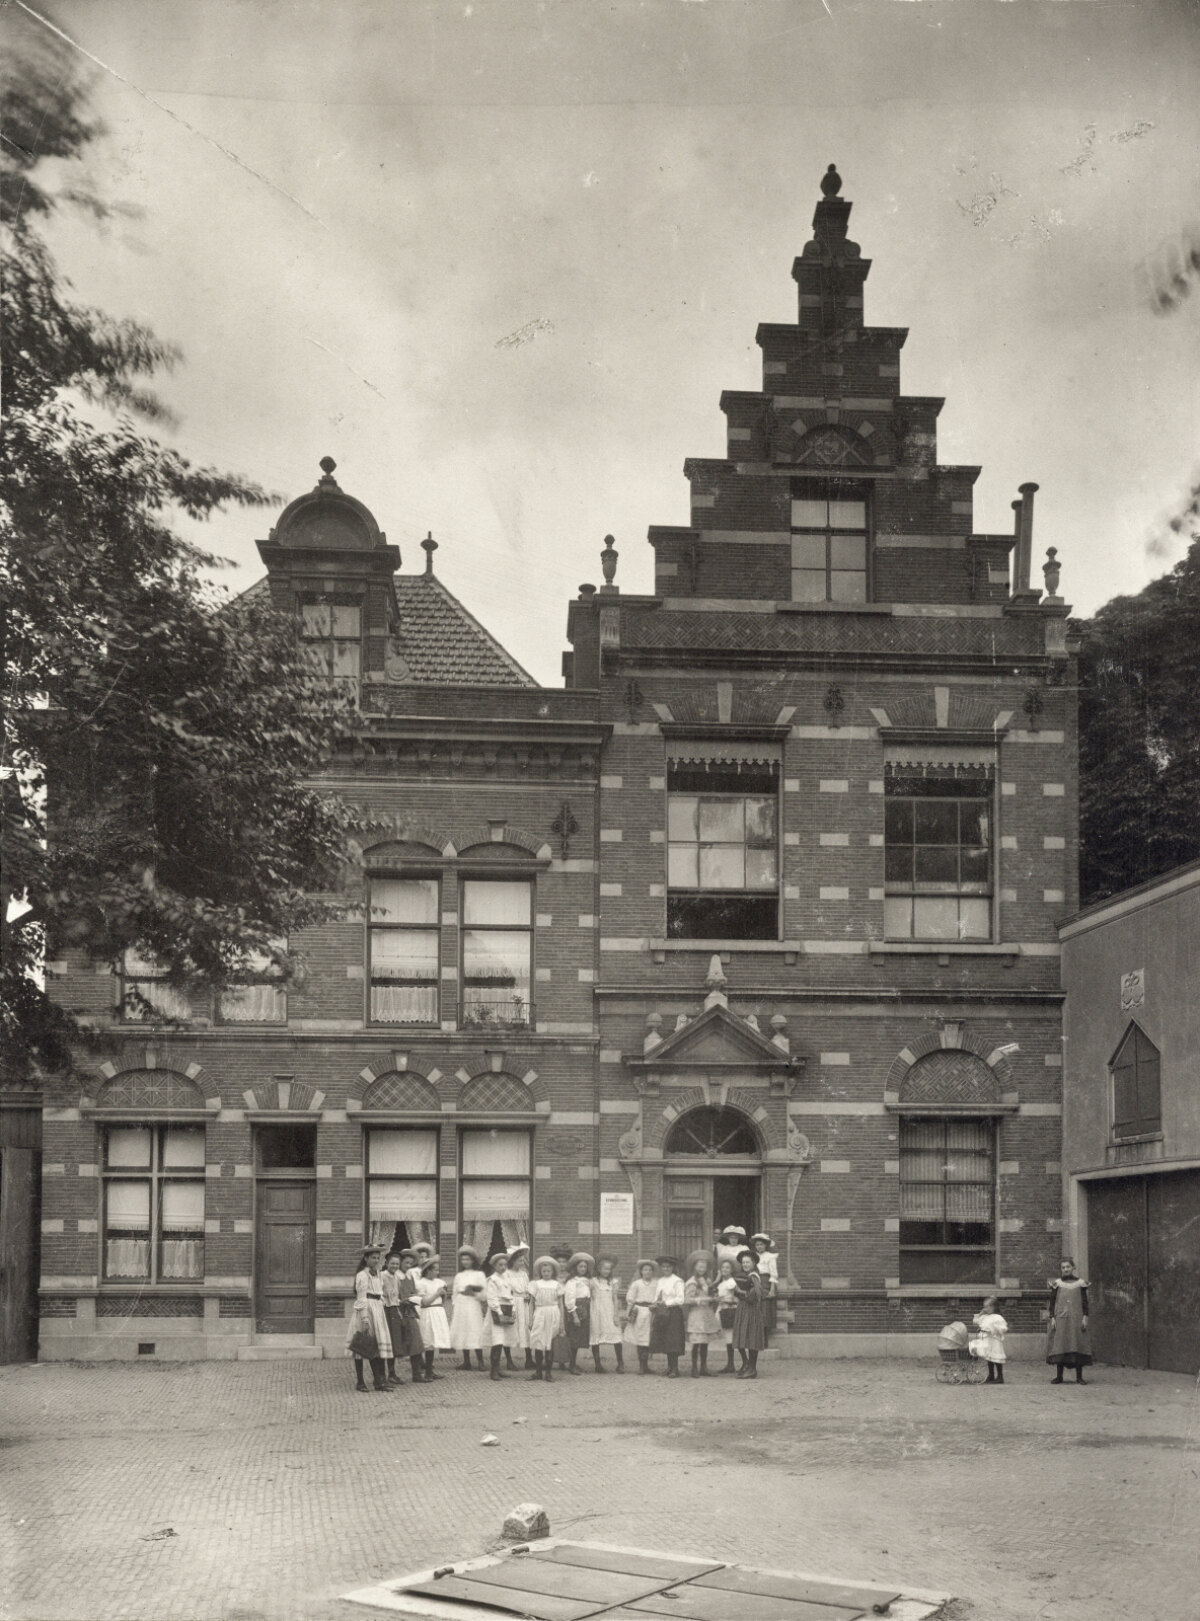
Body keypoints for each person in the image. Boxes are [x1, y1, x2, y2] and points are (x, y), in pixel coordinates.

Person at [347, 1245, 392, 1393]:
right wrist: (365, 1319)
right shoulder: (362, 1275)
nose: (376, 1260)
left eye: (378, 1258)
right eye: (373, 1257)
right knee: (362, 1345)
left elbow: (381, 1292)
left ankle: (379, 1381)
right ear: (366, 1259)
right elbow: (361, 1297)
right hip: (365, 1310)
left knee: (377, 1346)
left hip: (377, 1309)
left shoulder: (378, 1273)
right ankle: (360, 1382)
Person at [1047, 1257, 1092, 1385]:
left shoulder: (1081, 1283)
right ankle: (1059, 1376)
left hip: (1077, 1319)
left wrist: (1085, 1317)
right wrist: (1052, 1317)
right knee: (1061, 1344)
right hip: (1061, 1319)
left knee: (1077, 1343)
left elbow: (1085, 1302)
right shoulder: (1057, 1284)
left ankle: (1079, 1377)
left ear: (1073, 1268)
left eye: (1068, 1267)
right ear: (1061, 1269)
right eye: (1063, 1267)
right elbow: (1052, 1302)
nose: (1066, 1269)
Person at [449, 1244, 488, 1371]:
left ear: (473, 1260)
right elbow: (454, 1293)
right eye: (463, 1259)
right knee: (463, 1331)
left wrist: (474, 1293)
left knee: (475, 1330)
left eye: (467, 1259)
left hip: (473, 1305)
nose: (465, 1262)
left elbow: (484, 1294)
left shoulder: (479, 1274)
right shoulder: (459, 1276)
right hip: (461, 1306)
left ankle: (480, 1361)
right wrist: (456, 1305)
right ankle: (466, 1362)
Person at [392, 1247, 427, 1383]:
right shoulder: (396, 1277)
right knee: (397, 1343)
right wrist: (403, 1300)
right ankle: (392, 1374)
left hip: (410, 1312)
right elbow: (393, 1296)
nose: (408, 1266)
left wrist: (414, 1297)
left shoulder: (410, 1276)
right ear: (400, 1262)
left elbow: (413, 1292)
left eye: (410, 1264)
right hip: (399, 1312)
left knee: (416, 1342)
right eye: (406, 1263)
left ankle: (417, 1373)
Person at [684, 1251, 721, 1378]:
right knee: (696, 1342)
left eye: (704, 1267)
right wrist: (702, 1300)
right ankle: (694, 1367)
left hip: (706, 1314)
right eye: (699, 1266)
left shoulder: (708, 1281)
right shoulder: (692, 1282)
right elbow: (688, 1300)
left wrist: (715, 1298)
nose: (701, 1269)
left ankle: (703, 1367)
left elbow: (711, 1294)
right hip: (696, 1314)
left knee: (705, 1342)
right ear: (695, 1267)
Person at [484, 1250, 520, 1381]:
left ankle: (499, 1368)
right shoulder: (492, 1280)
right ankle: (493, 1370)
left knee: (504, 1340)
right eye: (500, 1265)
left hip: (507, 1309)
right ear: (494, 1266)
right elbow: (492, 1298)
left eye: (505, 1264)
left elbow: (511, 1296)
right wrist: (499, 1312)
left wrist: (514, 1309)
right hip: (497, 1311)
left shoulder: (506, 1278)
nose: (503, 1267)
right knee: (497, 1341)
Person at [732, 1248, 768, 1378]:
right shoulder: (743, 1276)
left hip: (752, 1310)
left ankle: (752, 1368)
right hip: (743, 1308)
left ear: (753, 1263)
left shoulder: (754, 1276)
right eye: (743, 1262)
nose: (745, 1265)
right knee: (741, 1336)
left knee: (752, 1338)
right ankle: (746, 1363)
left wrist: (740, 1293)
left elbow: (756, 1294)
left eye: (747, 1262)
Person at [527, 1255, 563, 1382]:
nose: (546, 1273)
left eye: (548, 1271)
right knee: (538, 1341)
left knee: (549, 1343)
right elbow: (531, 1303)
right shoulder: (535, 1284)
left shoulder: (556, 1285)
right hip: (540, 1312)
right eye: (544, 1271)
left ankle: (548, 1373)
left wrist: (562, 1322)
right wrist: (530, 1319)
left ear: (552, 1272)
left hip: (553, 1312)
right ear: (540, 1272)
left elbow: (561, 1304)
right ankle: (538, 1372)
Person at [650, 1254, 686, 1378]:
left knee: (673, 1341)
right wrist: (654, 1304)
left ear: (673, 1268)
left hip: (674, 1313)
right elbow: (657, 1296)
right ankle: (669, 1367)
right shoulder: (660, 1281)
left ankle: (675, 1369)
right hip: (662, 1314)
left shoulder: (677, 1281)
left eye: (668, 1267)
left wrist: (666, 1303)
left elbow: (680, 1299)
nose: (666, 1269)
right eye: (664, 1267)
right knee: (665, 1340)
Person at [416, 1252, 451, 1380]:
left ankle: (430, 1370)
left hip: (438, 1311)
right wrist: (437, 1294)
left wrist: (443, 1294)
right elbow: (424, 1302)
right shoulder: (421, 1283)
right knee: (428, 1341)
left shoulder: (440, 1282)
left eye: (437, 1270)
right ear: (428, 1270)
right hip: (428, 1312)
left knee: (434, 1340)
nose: (437, 1272)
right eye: (435, 1270)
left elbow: (443, 1299)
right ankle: (425, 1371)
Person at [624, 1258, 658, 1374]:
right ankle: (641, 1366)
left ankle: (646, 1365)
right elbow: (630, 1299)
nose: (647, 1272)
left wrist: (656, 1305)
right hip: (639, 1312)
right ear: (641, 1271)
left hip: (651, 1312)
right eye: (645, 1270)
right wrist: (628, 1313)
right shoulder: (636, 1284)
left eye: (649, 1270)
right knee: (640, 1339)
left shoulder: (656, 1283)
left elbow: (659, 1297)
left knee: (648, 1339)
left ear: (652, 1272)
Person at [590, 1255, 624, 1373]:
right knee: (595, 1337)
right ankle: (597, 1364)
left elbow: (615, 1299)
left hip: (609, 1311)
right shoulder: (593, 1282)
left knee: (616, 1336)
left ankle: (620, 1363)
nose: (607, 1271)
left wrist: (615, 1314)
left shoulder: (613, 1282)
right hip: (596, 1312)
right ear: (599, 1269)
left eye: (609, 1269)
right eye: (604, 1269)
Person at [563, 1251, 595, 1375]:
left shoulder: (587, 1281)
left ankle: (573, 1363)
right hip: (577, 1310)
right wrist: (574, 1315)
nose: (582, 1269)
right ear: (575, 1268)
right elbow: (569, 1300)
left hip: (585, 1309)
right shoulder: (572, 1282)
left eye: (585, 1267)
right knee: (574, 1339)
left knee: (579, 1338)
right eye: (580, 1266)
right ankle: (571, 1365)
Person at [380, 1253, 408, 1386]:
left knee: (394, 1342)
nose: (395, 1266)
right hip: (384, 1310)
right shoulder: (381, 1276)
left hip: (394, 1310)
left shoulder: (397, 1277)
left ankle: (392, 1373)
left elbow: (397, 1295)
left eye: (397, 1264)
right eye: (392, 1263)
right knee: (384, 1341)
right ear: (386, 1263)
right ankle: (381, 1375)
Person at [508, 1243, 534, 1370]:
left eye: (523, 1260)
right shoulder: (507, 1274)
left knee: (526, 1329)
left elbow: (528, 1287)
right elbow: (506, 1290)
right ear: (513, 1261)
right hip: (513, 1304)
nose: (522, 1262)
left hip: (524, 1304)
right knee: (510, 1329)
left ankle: (529, 1359)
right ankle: (509, 1361)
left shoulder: (524, 1274)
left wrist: (528, 1295)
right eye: (520, 1260)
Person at [971, 1296, 1009, 1385]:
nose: (985, 1309)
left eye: (987, 1307)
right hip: (987, 1340)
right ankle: (991, 1375)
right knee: (989, 1358)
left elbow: (1004, 1328)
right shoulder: (985, 1317)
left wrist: (994, 1328)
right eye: (984, 1307)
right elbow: (976, 1322)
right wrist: (980, 1314)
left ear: (993, 1307)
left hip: (995, 1340)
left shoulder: (998, 1317)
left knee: (996, 1358)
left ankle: (1000, 1376)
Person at [714, 1257, 739, 1375]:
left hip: (729, 1311)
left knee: (730, 1337)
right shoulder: (722, 1283)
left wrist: (727, 1301)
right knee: (727, 1337)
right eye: (723, 1267)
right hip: (722, 1310)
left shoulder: (733, 1283)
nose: (725, 1269)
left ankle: (731, 1364)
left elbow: (738, 1299)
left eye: (727, 1267)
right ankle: (730, 1364)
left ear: (731, 1270)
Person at [751, 1232, 779, 1337]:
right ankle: (756, 1336)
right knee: (755, 1308)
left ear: (765, 1245)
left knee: (765, 1310)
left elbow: (773, 1274)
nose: (759, 1247)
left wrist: (772, 1289)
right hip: (755, 1281)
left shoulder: (770, 1257)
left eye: (761, 1244)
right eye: (757, 1245)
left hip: (766, 1282)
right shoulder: (753, 1256)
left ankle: (764, 1337)